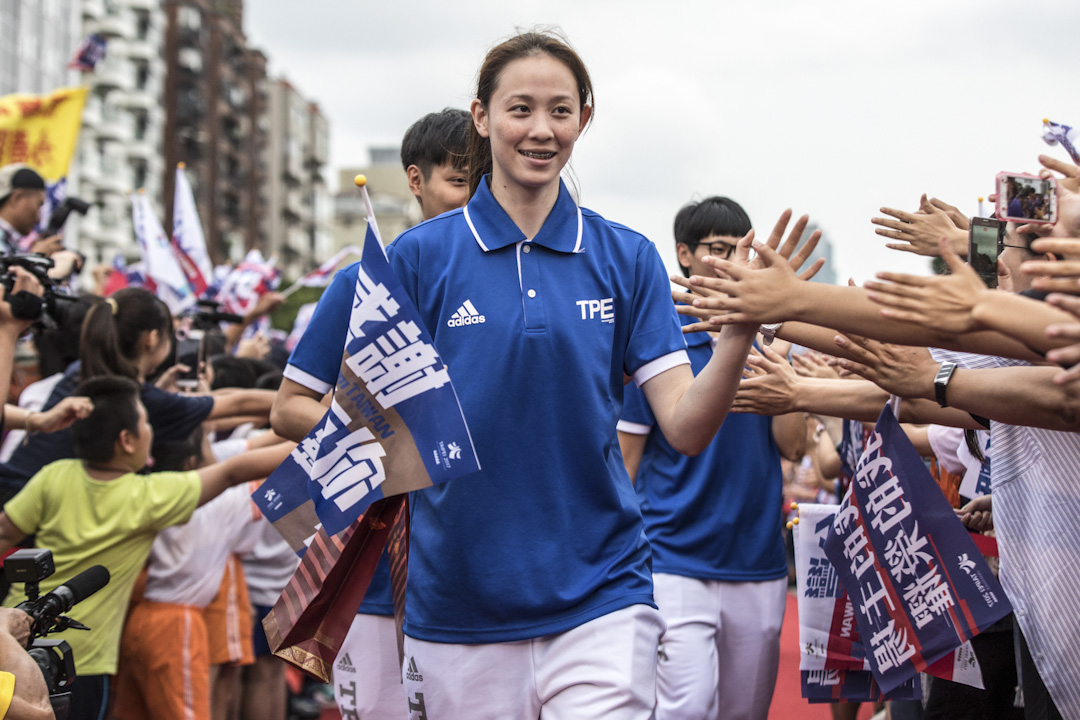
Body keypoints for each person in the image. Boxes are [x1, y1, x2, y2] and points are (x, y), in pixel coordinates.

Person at [273, 30, 817, 719]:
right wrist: (400, 439)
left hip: (604, 593)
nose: (540, 129)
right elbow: (320, 411)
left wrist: (739, 333)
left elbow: (684, 425)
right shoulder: (413, 261)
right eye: (519, 109)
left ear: (584, 120)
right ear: (482, 117)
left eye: (560, 111)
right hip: (458, 602)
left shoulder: (626, 256)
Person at [282, 106, 472, 720]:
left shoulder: (509, 284)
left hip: (481, 563)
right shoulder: (360, 286)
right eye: (460, 180)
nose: (476, 198)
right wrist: (384, 447)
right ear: (415, 181)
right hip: (373, 560)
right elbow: (289, 409)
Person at [0, 376, 293, 720]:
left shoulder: (55, 474)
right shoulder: (148, 496)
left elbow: (5, 531)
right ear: (126, 440)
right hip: (82, 663)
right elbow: (232, 472)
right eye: (145, 422)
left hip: (11, 635)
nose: (151, 431)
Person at [617, 196, 806, 720]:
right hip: (673, 557)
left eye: (741, 251)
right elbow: (626, 461)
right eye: (717, 249)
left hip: (757, 559)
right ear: (684, 255)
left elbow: (794, 447)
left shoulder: (768, 341)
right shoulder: (661, 342)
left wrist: (782, 367)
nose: (729, 263)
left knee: (745, 711)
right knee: (686, 706)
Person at [0, 287, 277, 501]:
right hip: (22, 528)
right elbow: (236, 404)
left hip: (12, 494)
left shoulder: (83, 370)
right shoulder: (134, 398)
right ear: (152, 339)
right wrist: (295, 400)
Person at [401, 108, 471, 220]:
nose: (477, 195)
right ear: (416, 180)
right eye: (459, 180)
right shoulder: (408, 238)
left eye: (486, 181)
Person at [0, 164, 61, 257]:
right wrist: (34, 258)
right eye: (38, 205)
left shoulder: (11, 243)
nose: (39, 218)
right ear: (17, 198)